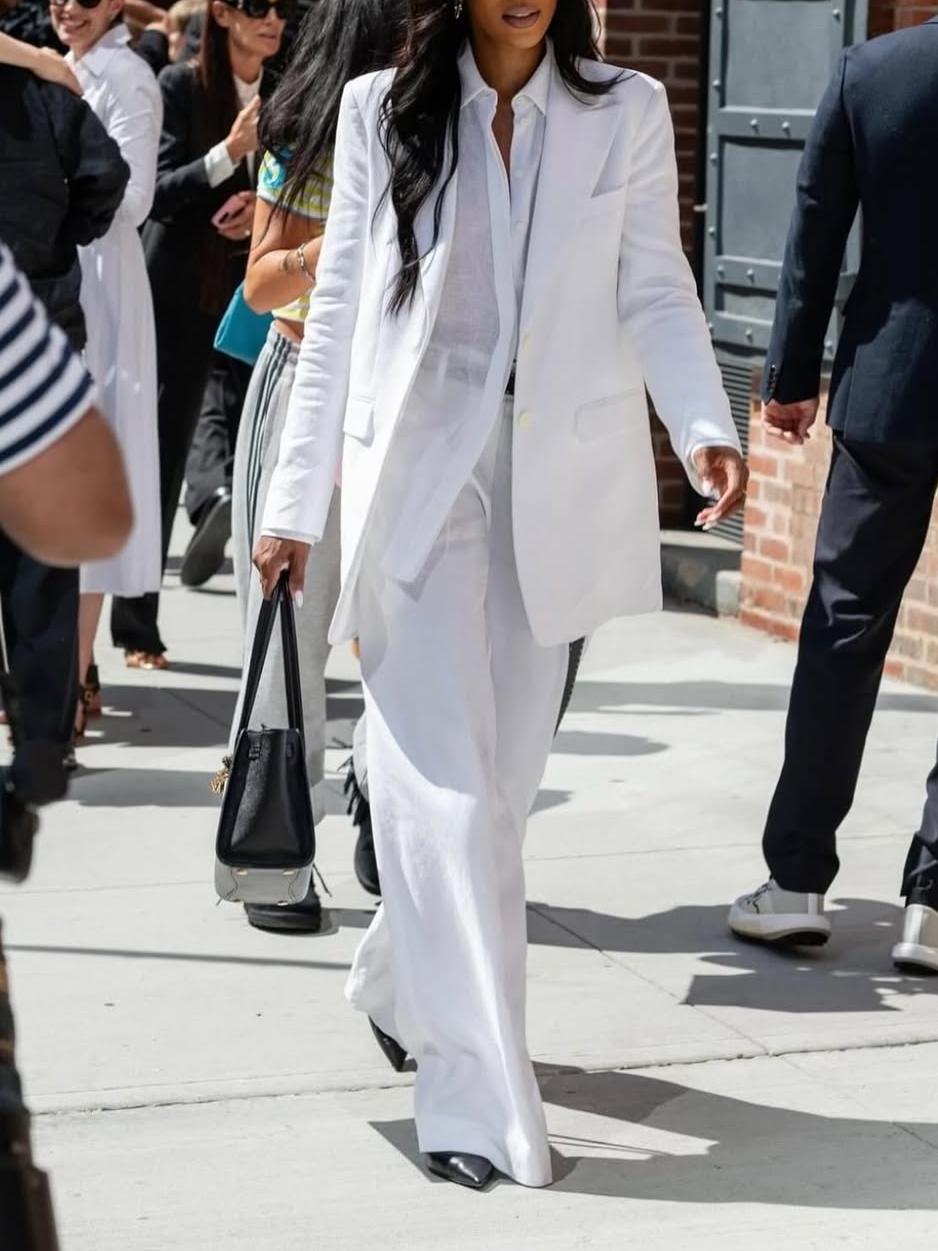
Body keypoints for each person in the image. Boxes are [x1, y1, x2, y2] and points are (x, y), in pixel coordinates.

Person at [255, 0, 745, 1190]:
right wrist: (290, 501)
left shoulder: (623, 109)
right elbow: (332, 318)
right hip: (416, 474)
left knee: (500, 801)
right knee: (449, 795)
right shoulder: (384, 110)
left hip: (553, 483)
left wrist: (699, 425)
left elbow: (654, 285)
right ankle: (474, 1095)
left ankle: (394, 974)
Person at [728, 19, 938, 975]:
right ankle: (933, 907)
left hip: (888, 389)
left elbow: (816, 221)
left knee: (843, 628)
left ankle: (799, 882)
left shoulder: (874, 71)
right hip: (886, 393)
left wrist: (786, 374)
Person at [218, 0, 398, 934]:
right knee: (290, 623)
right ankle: (275, 851)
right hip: (299, 394)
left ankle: (380, 793)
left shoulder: (443, 127)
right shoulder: (303, 129)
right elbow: (260, 282)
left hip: (401, 402)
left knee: (401, 627)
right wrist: (340, 245)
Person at [109, 0, 287, 669]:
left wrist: (257, 210)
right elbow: (156, 189)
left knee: (250, 443)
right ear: (222, 13)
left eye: (282, 9)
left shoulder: (283, 87)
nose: (274, 20)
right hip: (177, 296)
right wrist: (229, 154)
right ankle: (136, 626)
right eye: (258, 7)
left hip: (252, 294)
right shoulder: (179, 85)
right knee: (156, 455)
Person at [0, 46, 128, 784]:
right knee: (43, 565)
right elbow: (105, 181)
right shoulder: (44, 91)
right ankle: (44, 740)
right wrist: (58, 239)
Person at [49, 0, 163, 740]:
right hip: (48, 279)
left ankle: (69, 675)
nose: (68, 6)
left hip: (102, 291)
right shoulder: (55, 65)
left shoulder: (126, 75)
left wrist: (47, 195)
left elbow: (136, 197)